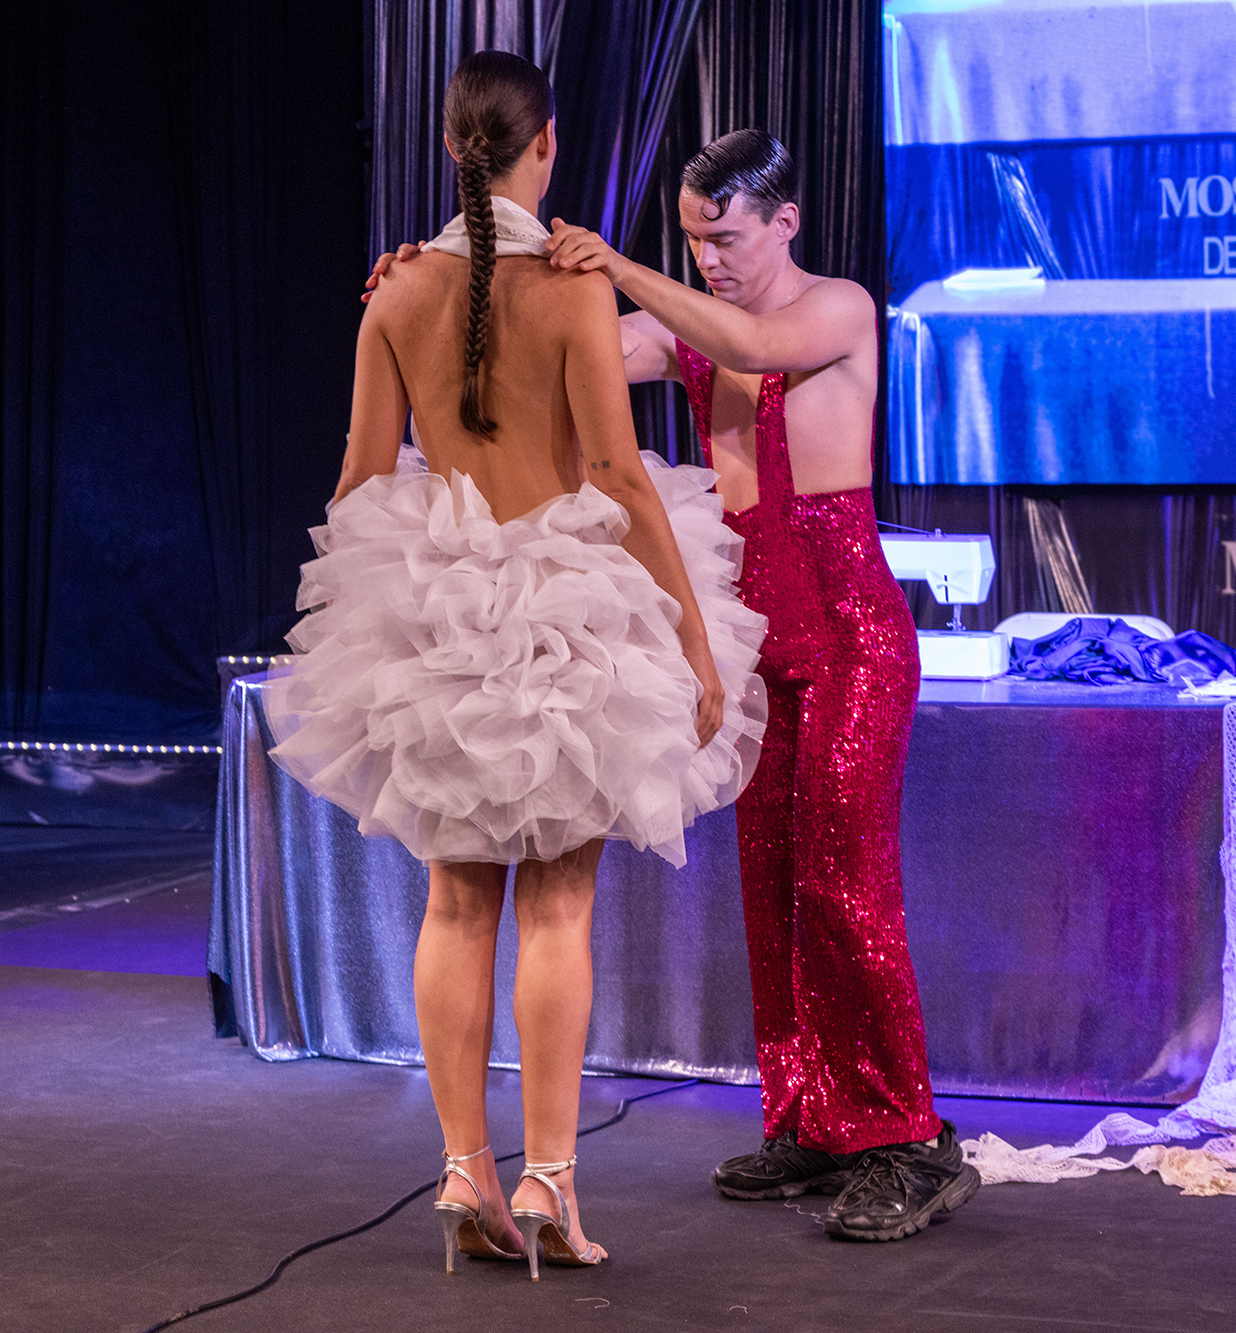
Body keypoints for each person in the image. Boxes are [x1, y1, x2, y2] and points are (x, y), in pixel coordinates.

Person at [366, 129, 981, 1244]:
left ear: (785, 223)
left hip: (851, 643)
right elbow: (538, 345)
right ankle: (811, 1116)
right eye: (695, 241)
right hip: (757, 650)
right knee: (773, 890)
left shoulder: (836, 309)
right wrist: (440, 280)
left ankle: (906, 1137)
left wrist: (615, 264)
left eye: (726, 238)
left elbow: (751, 340)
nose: (710, 260)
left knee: (844, 887)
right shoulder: (686, 327)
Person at [269, 51, 767, 1280]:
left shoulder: (395, 290)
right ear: (544, 147)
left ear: (453, 150)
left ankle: (461, 1168)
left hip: (444, 616)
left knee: (455, 901)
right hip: (569, 611)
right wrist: (690, 634)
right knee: (555, 905)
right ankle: (548, 1178)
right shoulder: (569, 288)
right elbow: (615, 473)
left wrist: (382, 608)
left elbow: (358, 479)